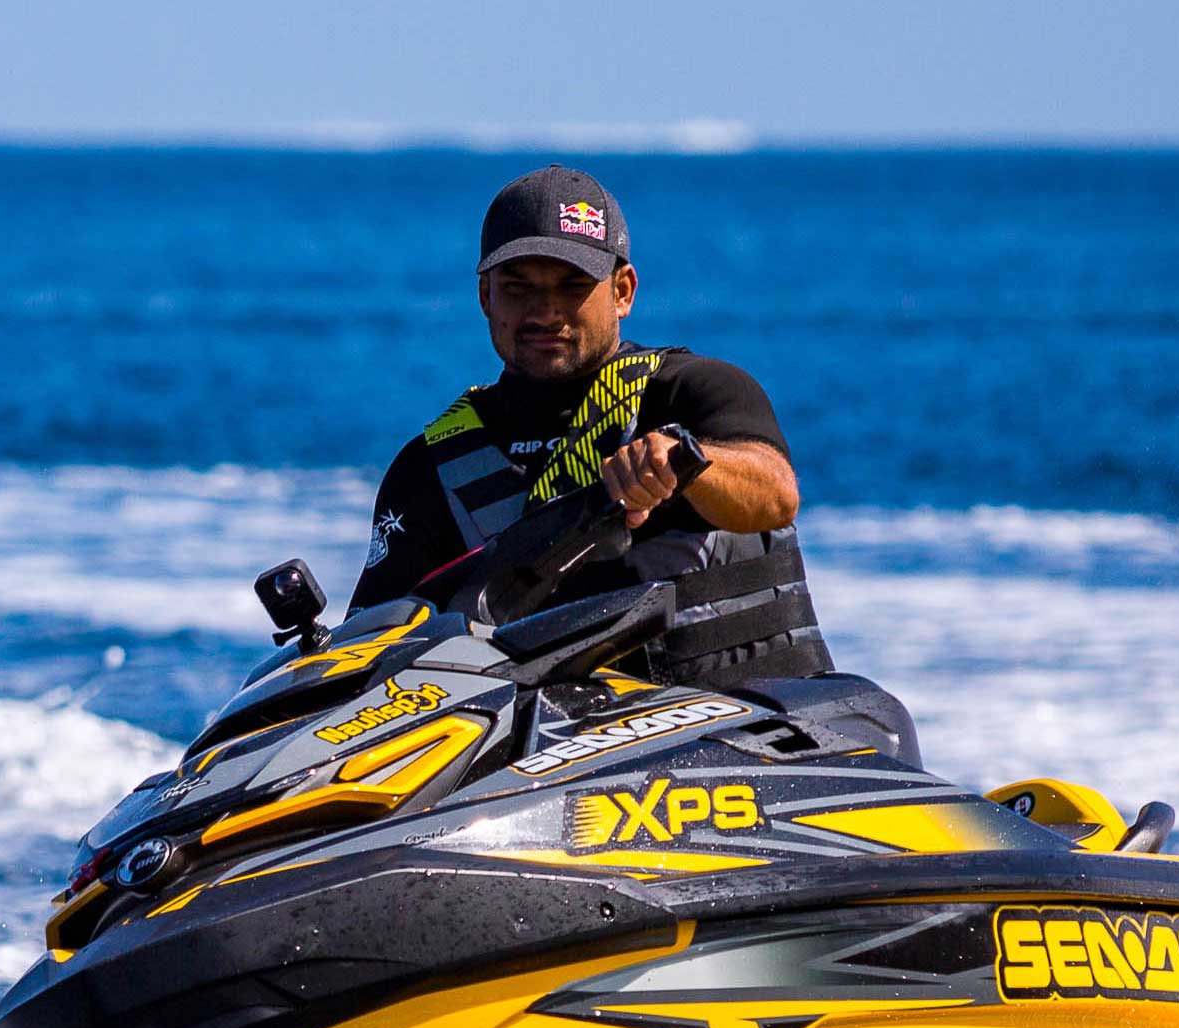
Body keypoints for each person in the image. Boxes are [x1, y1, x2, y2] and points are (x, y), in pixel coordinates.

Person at [349, 165, 832, 685]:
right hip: (554, 754)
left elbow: (775, 494)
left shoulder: (692, 392)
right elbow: (371, 645)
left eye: (572, 285)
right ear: (486, 296)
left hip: (752, 731)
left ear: (622, 291)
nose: (544, 311)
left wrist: (688, 464)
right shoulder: (429, 466)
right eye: (517, 288)